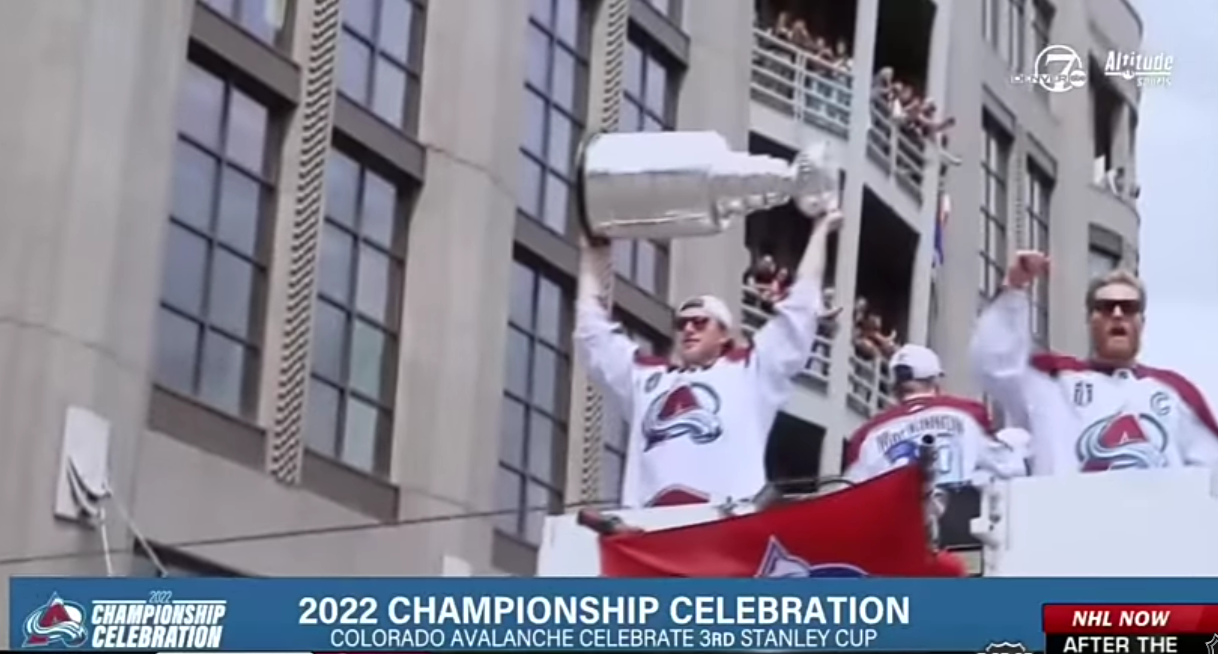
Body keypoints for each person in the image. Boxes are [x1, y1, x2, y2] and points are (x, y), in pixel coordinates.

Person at [575, 205, 843, 508]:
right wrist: (591, 257)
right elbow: (593, 335)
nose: (688, 329)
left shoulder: (750, 371)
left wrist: (820, 231)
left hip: (726, 523)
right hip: (651, 527)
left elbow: (798, 312)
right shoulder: (646, 378)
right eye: (682, 324)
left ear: (724, 334)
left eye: (700, 322)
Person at [969, 252, 1218, 474]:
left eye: (1129, 308)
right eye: (1106, 307)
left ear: (1141, 321)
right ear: (1090, 319)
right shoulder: (1052, 380)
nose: (1117, 314)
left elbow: (1211, 469)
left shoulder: (1177, 393)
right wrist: (1014, 288)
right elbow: (994, 364)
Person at [844, 344, 1030, 486]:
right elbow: (999, 462)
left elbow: (851, 487)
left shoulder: (867, 433)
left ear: (894, 387)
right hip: (955, 515)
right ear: (934, 379)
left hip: (894, 520)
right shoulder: (968, 412)